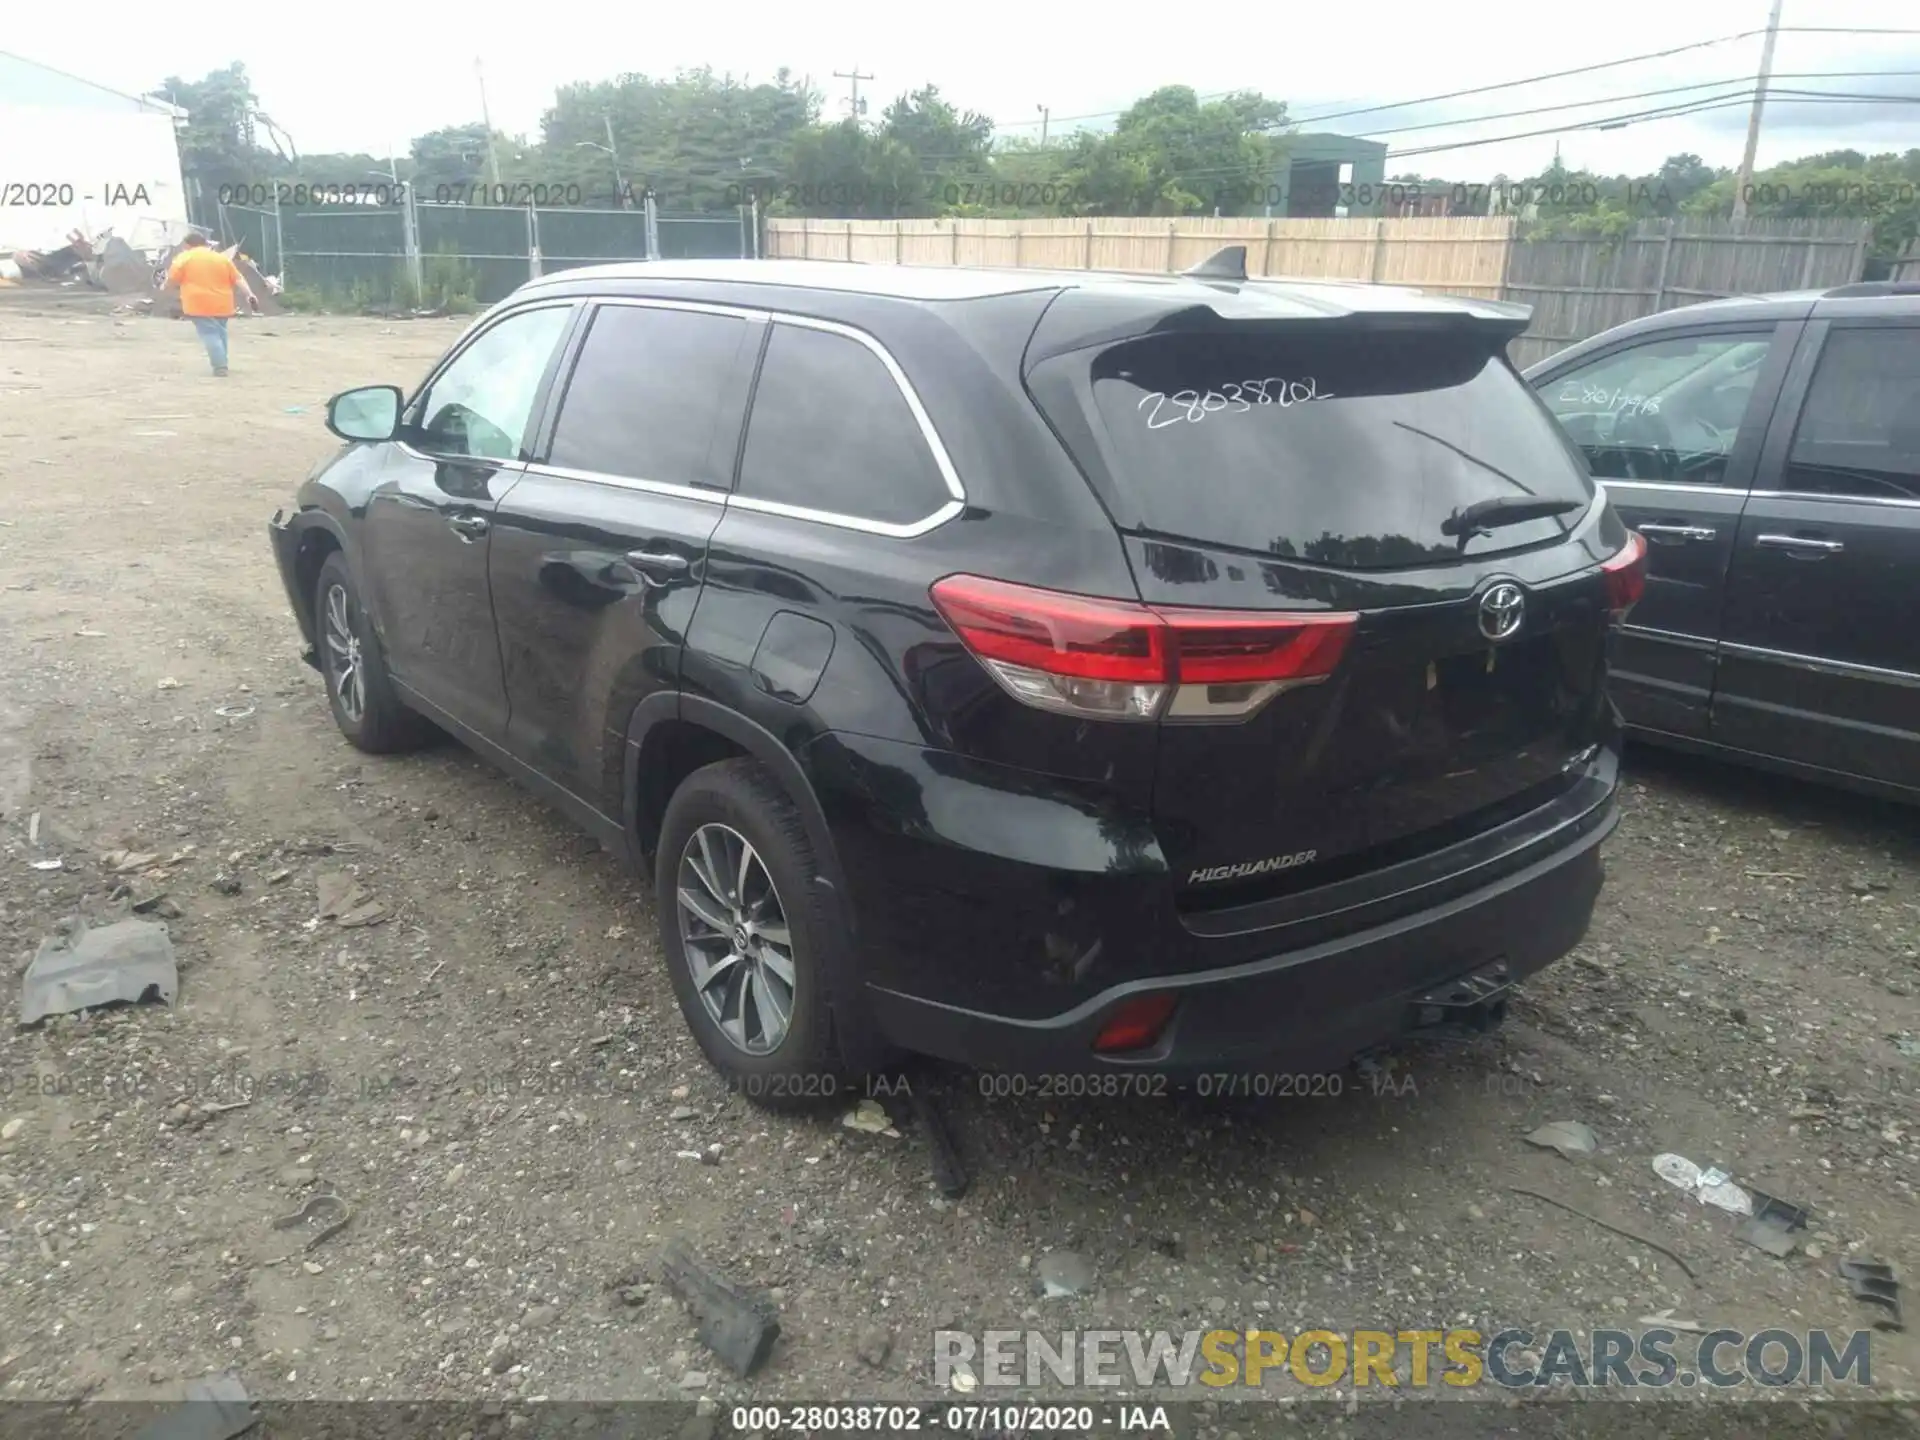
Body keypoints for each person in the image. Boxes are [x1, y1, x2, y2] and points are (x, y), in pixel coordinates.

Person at [164, 233, 260, 376]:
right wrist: (249, 294)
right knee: (220, 332)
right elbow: (238, 278)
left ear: (187, 245)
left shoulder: (183, 258)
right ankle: (223, 361)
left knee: (209, 334)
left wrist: (165, 288)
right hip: (223, 302)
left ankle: (220, 366)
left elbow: (172, 280)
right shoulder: (221, 259)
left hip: (198, 303)